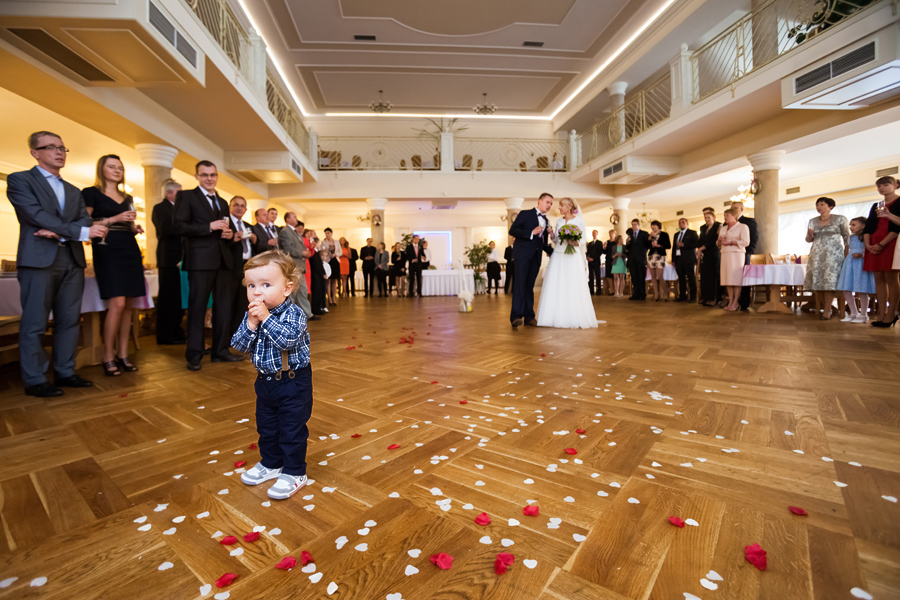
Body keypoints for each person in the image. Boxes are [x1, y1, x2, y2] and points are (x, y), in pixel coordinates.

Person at [8, 131, 106, 397]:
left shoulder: (74, 190)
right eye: (51, 147)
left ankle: (65, 371)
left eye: (63, 147)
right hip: (38, 260)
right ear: (35, 152)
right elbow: (34, 214)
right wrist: (70, 230)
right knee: (35, 323)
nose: (59, 152)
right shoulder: (21, 180)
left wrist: (60, 232)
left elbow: (85, 223)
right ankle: (35, 378)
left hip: (71, 260)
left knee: (69, 320)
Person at [232, 251, 312, 500]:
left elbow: (287, 340)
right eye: (251, 285)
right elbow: (239, 345)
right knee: (267, 428)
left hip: (293, 382)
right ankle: (271, 463)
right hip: (265, 383)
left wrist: (265, 319)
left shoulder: (294, 315)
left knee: (291, 428)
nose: (257, 292)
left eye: (266, 285)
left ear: (287, 288)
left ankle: (295, 471)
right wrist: (252, 324)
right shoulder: (252, 316)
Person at [174, 160, 241, 370]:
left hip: (223, 260)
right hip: (200, 261)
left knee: (223, 308)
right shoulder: (187, 197)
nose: (209, 178)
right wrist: (208, 226)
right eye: (204, 175)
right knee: (198, 308)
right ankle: (194, 354)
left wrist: (229, 235)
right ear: (196, 176)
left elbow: (223, 231)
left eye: (212, 175)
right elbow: (178, 226)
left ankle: (220, 351)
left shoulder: (222, 202)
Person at [83, 154, 146, 376]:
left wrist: (134, 228)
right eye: (112, 167)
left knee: (129, 304)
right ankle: (107, 355)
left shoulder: (127, 197)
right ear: (102, 169)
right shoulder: (91, 193)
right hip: (106, 248)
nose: (117, 171)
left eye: (120, 167)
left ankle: (123, 354)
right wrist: (114, 219)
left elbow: (128, 223)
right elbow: (84, 223)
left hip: (129, 247)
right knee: (117, 303)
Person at [536, 198, 597, 329]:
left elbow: (582, 239)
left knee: (572, 283)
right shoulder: (559, 221)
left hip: (572, 255)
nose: (559, 208)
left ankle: (573, 316)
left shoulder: (579, 221)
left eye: (562, 206)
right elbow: (557, 240)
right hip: (559, 254)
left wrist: (574, 241)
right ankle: (553, 316)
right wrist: (552, 234)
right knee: (557, 282)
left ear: (569, 207)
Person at [508, 193, 554, 327]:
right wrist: (530, 233)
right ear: (539, 201)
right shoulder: (525, 214)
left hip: (535, 257)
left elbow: (543, 242)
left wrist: (556, 253)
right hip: (522, 255)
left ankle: (529, 317)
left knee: (529, 286)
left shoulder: (546, 221)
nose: (549, 205)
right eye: (547, 202)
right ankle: (516, 316)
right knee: (519, 285)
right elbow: (513, 230)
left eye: (551, 203)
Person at [804, 197, 850, 320]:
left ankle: (828, 310)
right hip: (817, 254)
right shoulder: (812, 221)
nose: (819, 207)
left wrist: (847, 255)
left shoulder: (840, 219)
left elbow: (847, 238)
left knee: (829, 281)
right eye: (817, 204)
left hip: (833, 255)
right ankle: (824, 307)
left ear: (830, 206)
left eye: (822, 204)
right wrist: (809, 234)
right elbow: (809, 240)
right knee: (820, 281)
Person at [152, 179, 186, 345]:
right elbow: (164, 229)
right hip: (168, 258)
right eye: (179, 192)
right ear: (168, 193)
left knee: (180, 298)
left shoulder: (180, 209)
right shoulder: (160, 208)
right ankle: (164, 334)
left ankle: (176, 329)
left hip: (182, 259)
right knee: (168, 299)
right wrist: (185, 226)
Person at [864, 176, 900, 327]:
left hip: (891, 243)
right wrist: (868, 244)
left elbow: (897, 228)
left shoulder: (899, 202)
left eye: (886, 185)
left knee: (891, 278)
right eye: (879, 186)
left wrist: (882, 244)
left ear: (896, 185)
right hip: (874, 243)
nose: (882, 188)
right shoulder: (875, 205)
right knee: (878, 279)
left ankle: (892, 314)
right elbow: (869, 226)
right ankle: (881, 313)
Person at [227, 196, 257, 334]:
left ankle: (240, 332)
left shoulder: (248, 226)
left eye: (242, 206)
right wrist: (234, 239)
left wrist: (255, 240)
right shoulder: (226, 224)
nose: (239, 208)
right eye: (236, 205)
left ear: (245, 209)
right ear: (230, 207)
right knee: (230, 301)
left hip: (247, 266)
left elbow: (255, 248)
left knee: (243, 302)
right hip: (232, 266)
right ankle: (228, 334)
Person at [278, 213, 316, 321]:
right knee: (292, 292)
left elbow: (302, 247)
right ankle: (290, 315)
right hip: (292, 266)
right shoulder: (285, 231)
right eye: (294, 217)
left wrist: (308, 251)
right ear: (287, 219)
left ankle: (307, 314)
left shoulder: (296, 233)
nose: (296, 219)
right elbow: (287, 249)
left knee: (303, 291)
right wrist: (303, 253)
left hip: (300, 266)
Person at [838, 217, 875, 323]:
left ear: (863, 225)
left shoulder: (867, 236)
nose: (850, 227)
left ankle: (863, 315)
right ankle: (853, 312)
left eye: (853, 225)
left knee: (862, 289)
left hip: (861, 263)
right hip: (850, 263)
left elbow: (870, 250)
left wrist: (862, 255)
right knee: (846, 288)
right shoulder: (852, 237)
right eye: (850, 225)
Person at [717, 208, 750, 312]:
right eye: (724, 215)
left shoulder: (743, 227)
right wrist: (719, 241)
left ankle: (735, 302)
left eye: (727, 215)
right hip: (725, 254)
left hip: (736, 255)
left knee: (736, 279)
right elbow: (718, 244)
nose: (725, 217)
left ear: (734, 216)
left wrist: (731, 242)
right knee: (728, 279)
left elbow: (746, 242)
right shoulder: (723, 228)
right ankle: (730, 301)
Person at [733, 201, 758, 311]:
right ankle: (732, 301)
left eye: (736, 208)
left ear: (741, 210)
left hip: (744, 254)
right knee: (732, 278)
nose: (733, 210)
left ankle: (744, 303)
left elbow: (754, 238)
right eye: (732, 208)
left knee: (743, 278)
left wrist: (748, 253)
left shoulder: (749, 221)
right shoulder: (727, 223)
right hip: (730, 255)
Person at [697, 208, 721, 306]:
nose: (707, 219)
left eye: (709, 217)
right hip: (705, 255)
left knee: (714, 276)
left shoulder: (718, 226)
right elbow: (700, 240)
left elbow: (715, 240)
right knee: (705, 276)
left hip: (714, 254)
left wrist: (702, 247)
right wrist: (699, 249)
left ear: (714, 217)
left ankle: (715, 298)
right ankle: (705, 298)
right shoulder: (703, 228)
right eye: (705, 217)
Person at [672, 217, 699, 303]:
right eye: (679, 223)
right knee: (681, 278)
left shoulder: (692, 233)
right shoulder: (676, 234)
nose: (681, 224)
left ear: (687, 223)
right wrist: (673, 259)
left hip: (688, 258)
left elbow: (696, 244)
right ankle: (682, 295)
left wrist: (684, 244)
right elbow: (674, 248)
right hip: (678, 258)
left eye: (683, 222)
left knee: (691, 278)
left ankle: (693, 297)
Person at [626, 219, 650, 301]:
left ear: (638, 225)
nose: (633, 226)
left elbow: (647, 246)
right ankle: (635, 294)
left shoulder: (644, 234)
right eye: (632, 224)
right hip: (632, 259)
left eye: (635, 224)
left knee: (641, 277)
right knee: (634, 277)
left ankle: (642, 294)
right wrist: (627, 243)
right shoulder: (630, 234)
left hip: (641, 259)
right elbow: (628, 249)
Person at [647, 220, 670, 301]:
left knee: (660, 276)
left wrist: (658, 245)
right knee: (653, 276)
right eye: (652, 226)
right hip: (651, 256)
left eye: (654, 225)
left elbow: (668, 245)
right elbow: (646, 246)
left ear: (658, 226)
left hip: (660, 256)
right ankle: (656, 294)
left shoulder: (664, 234)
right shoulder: (651, 235)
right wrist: (649, 238)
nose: (653, 227)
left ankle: (666, 293)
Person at [306, 230, 327, 315]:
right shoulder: (313, 251)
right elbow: (316, 264)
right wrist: (322, 273)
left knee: (319, 292)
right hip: (315, 275)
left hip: (318, 275)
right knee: (316, 293)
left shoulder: (316, 251)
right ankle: (315, 309)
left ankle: (318, 307)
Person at [319, 228, 340, 305]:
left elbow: (340, 251)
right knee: (328, 280)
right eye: (326, 233)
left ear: (331, 233)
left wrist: (335, 254)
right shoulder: (323, 242)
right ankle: (329, 298)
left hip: (335, 261)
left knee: (334, 280)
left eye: (328, 233)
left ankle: (334, 297)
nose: (327, 235)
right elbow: (322, 251)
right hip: (328, 261)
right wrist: (328, 253)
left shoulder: (337, 242)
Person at [586, 229, 604, 295]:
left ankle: (599, 290)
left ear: (597, 234)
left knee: (597, 276)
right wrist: (587, 257)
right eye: (593, 233)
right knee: (591, 276)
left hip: (596, 261)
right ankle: (591, 290)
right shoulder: (590, 243)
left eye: (595, 233)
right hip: (590, 262)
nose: (594, 234)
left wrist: (593, 259)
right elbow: (588, 252)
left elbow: (600, 252)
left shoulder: (599, 243)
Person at [603, 229, 617, 295]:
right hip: (608, 260)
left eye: (612, 233)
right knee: (608, 275)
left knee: (615, 275)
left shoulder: (617, 242)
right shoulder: (607, 242)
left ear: (615, 234)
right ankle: (611, 289)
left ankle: (616, 289)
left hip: (615, 260)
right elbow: (604, 252)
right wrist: (604, 247)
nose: (610, 235)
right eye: (609, 233)